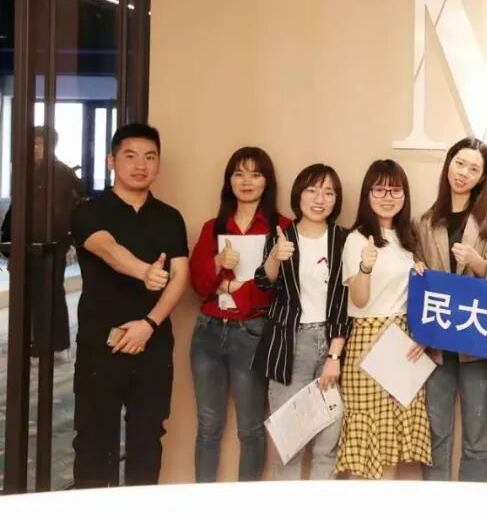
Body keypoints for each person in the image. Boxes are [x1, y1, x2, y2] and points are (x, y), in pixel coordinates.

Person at [70, 123, 188, 487]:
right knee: (94, 442)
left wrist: (148, 325)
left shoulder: (170, 217)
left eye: (150, 157)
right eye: (130, 156)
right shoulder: (89, 211)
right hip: (100, 343)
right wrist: (144, 272)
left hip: (153, 344)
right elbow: (107, 248)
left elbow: (180, 276)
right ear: (112, 160)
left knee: (147, 442)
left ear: (158, 163)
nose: (140, 165)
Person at [188, 146, 288, 482]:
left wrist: (228, 287)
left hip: (253, 332)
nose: (246, 181)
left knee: (250, 428)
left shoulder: (281, 228)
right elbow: (199, 285)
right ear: (228, 180)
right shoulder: (213, 227)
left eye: (255, 174)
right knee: (208, 426)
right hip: (208, 331)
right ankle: (203, 500)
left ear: (267, 181)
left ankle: (247, 504)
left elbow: (272, 292)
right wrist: (218, 263)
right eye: (239, 173)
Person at [416, 138, 487, 482]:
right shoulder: (427, 221)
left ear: (483, 177)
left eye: (474, 169)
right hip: (436, 342)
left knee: (477, 439)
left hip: (478, 341)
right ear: (448, 164)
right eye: (459, 163)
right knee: (436, 435)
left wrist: (476, 261)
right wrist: (417, 269)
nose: (464, 173)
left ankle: (473, 506)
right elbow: (419, 275)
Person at [251, 163, 350, 480]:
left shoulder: (343, 239)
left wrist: (334, 355)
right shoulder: (281, 236)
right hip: (290, 345)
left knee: (327, 445)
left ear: (336, 199)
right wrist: (275, 256)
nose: (320, 199)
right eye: (312, 190)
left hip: (331, 343)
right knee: (289, 446)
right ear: (299, 195)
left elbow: (344, 302)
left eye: (328, 192)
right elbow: (263, 284)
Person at [335, 159, 432, 479]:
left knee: (392, 440)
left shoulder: (409, 238)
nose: (387, 197)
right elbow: (359, 300)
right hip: (368, 337)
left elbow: (413, 295)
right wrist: (365, 267)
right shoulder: (357, 239)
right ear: (367, 194)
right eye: (379, 190)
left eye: (395, 190)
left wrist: (420, 274)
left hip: (403, 339)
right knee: (368, 436)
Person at [1, 125, 86, 356]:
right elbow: (16, 207)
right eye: (33, 143)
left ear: (51, 146)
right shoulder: (25, 171)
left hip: (52, 243)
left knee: (50, 292)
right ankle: (35, 341)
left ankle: (56, 343)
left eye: (40, 143)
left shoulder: (62, 172)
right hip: (26, 242)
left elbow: (77, 204)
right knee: (29, 292)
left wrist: (69, 238)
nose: (36, 148)